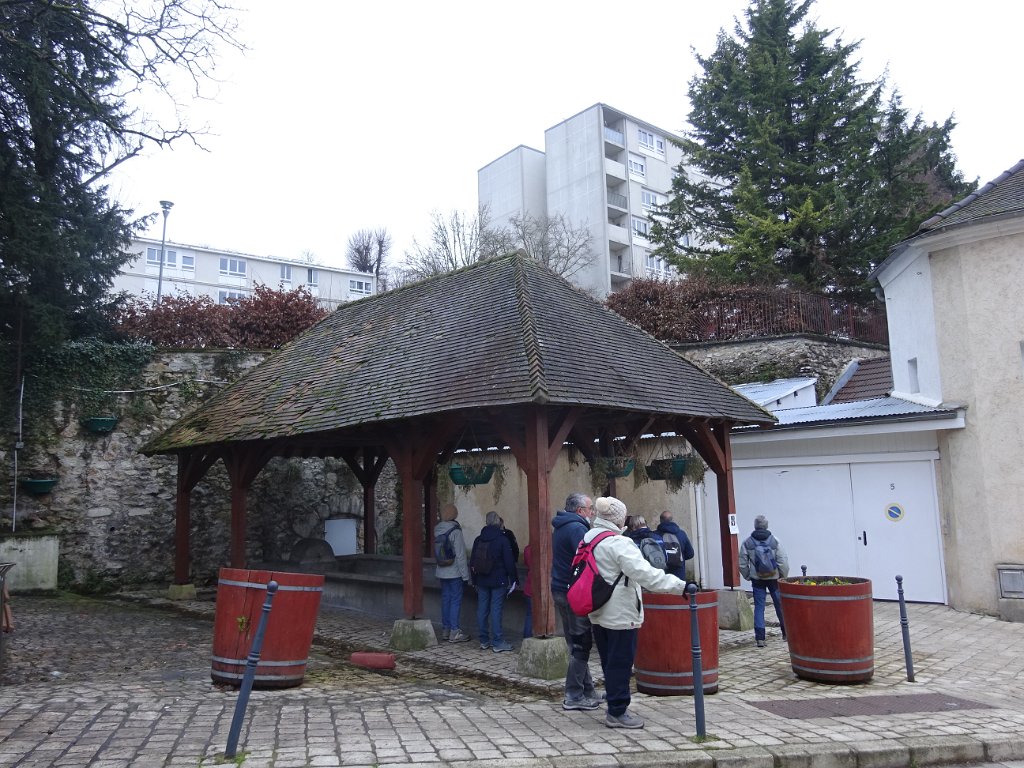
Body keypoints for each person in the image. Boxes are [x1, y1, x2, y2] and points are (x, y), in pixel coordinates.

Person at [587, 496, 689, 729]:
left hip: (597, 607)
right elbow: (646, 575)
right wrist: (680, 586)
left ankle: (614, 700)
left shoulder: (589, 538)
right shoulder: (619, 543)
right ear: (618, 518)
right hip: (621, 612)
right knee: (621, 662)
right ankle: (617, 711)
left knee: (609, 660)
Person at [550, 492, 602, 711]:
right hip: (573, 592)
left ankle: (587, 690)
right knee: (581, 644)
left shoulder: (561, 526)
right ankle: (573, 695)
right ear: (581, 511)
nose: (592, 513)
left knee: (576, 643)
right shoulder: (577, 529)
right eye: (590, 509)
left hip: (560, 589)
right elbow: (587, 559)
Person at [739, 514, 789, 648]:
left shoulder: (747, 542)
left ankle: (760, 638)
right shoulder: (775, 541)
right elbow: (783, 561)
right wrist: (782, 576)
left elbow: (742, 563)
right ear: (766, 526)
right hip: (774, 579)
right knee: (779, 605)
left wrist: (748, 576)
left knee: (759, 607)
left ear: (755, 526)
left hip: (757, 580)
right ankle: (786, 633)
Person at [471, 510, 517, 652]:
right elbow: (509, 562)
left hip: (481, 580)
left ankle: (484, 640)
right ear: (498, 522)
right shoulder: (502, 539)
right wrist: (514, 579)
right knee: (496, 610)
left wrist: (474, 580)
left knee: (482, 609)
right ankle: (497, 642)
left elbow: (472, 562)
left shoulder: (478, 539)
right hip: (498, 580)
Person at [434, 503, 471, 643]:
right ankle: (455, 632)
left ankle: (446, 629)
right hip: (454, 572)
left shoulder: (437, 529)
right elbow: (461, 556)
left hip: (442, 571)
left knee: (446, 600)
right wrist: (465, 576)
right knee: (455, 601)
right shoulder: (456, 531)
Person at [656, 509, 696, 581]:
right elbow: (690, 554)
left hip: (663, 575)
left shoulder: (655, 535)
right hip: (679, 574)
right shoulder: (681, 534)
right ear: (672, 520)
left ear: (660, 520)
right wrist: (679, 558)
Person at [521, 542, 533, 639]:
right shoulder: (548, 549)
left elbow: (526, 563)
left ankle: (527, 637)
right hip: (539, 587)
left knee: (530, 614)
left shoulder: (527, 549)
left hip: (529, 585)